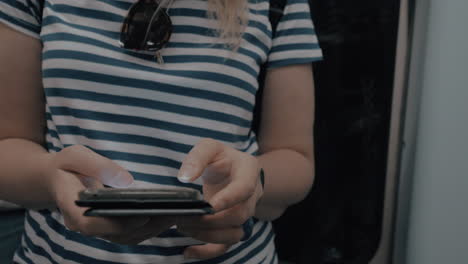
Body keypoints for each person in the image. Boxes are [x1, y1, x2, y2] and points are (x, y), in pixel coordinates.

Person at [0, 0, 322, 263]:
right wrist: (48, 177)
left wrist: (255, 183)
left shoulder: (280, 5)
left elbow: (296, 157)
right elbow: (8, 143)